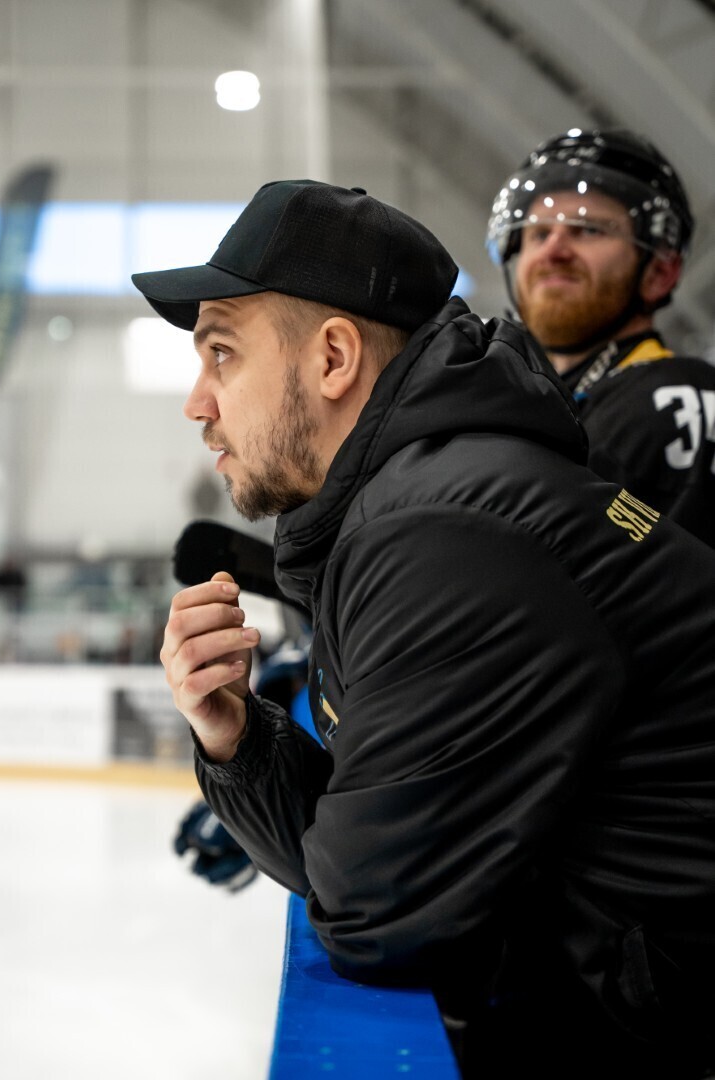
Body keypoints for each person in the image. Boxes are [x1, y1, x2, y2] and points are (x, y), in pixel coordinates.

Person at [133, 180, 715, 1078]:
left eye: (221, 353)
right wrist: (237, 739)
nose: (197, 402)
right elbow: (373, 865)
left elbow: (375, 912)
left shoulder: (443, 531)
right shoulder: (438, 496)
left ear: (333, 358)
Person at [486, 127, 715, 548]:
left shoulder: (680, 400)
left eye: (587, 229)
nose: (554, 250)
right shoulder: (520, 408)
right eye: (538, 233)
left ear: (660, 272)